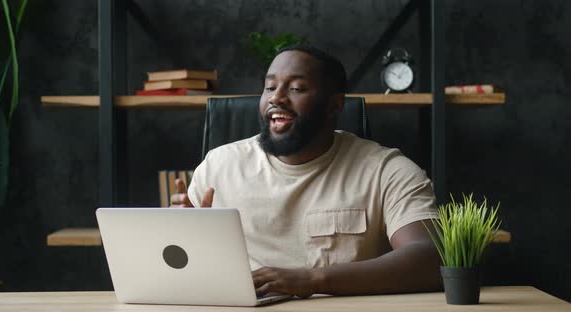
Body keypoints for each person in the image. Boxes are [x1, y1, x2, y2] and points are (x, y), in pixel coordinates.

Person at [171, 45, 441, 298]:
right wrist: (180, 238)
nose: (276, 97)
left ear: (335, 105)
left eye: (297, 88)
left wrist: (314, 280)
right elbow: (173, 266)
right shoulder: (219, 166)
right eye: (269, 87)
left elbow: (429, 258)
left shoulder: (387, 171)